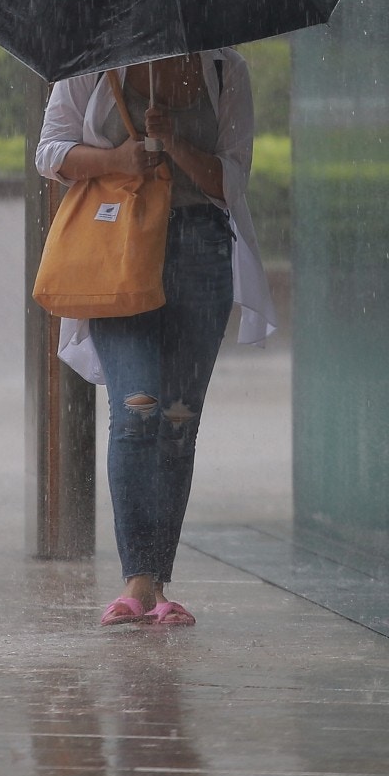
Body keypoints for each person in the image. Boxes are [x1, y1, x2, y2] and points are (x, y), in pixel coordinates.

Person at [35, 49, 275, 627]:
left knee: (176, 416)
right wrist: (119, 157)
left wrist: (175, 146)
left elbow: (231, 178)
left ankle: (158, 582)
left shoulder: (224, 69)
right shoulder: (93, 62)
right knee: (136, 407)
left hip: (202, 253)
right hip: (118, 247)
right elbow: (50, 153)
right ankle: (136, 582)